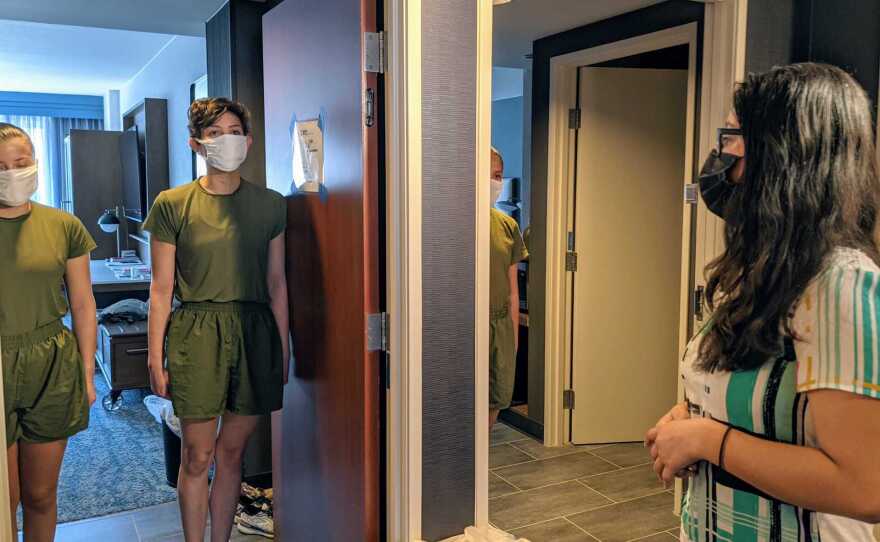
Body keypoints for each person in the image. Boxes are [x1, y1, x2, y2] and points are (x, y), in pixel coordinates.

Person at [645, 63, 880, 541]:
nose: (720, 156)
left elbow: (864, 488)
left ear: (782, 157)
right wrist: (692, 415)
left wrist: (707, 439)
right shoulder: (762, 271)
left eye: (732, 137)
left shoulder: (841, 282)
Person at [144, 97, 289, 542]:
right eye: (214, 133)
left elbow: (277, 282)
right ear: (196, 143)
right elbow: (161, 289)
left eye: (234, 132)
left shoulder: (271, 205)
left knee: (232, 454)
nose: (227, 140)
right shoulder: (173, 204)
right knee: (196, 455)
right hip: (196, 333)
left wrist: (283, 349)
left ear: (249, 140)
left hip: (254, 332)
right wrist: (154, 356)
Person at [0, 123, 97, 542]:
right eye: (0, 167)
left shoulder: (63, 225)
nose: (11, 173)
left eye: (19, 163)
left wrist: (87, 375)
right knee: (4, 501)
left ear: (35, 163)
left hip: (52, 364)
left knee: (40, 494)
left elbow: (83, 304)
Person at [489, 148, 528, 428]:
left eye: (498, 176)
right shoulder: (452, 222)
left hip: (500, 326)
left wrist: (512, 339)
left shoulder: (507, 226)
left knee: (496, 400)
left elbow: (513, 290)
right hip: (467, 327)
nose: (495, 182)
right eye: (489, 175)